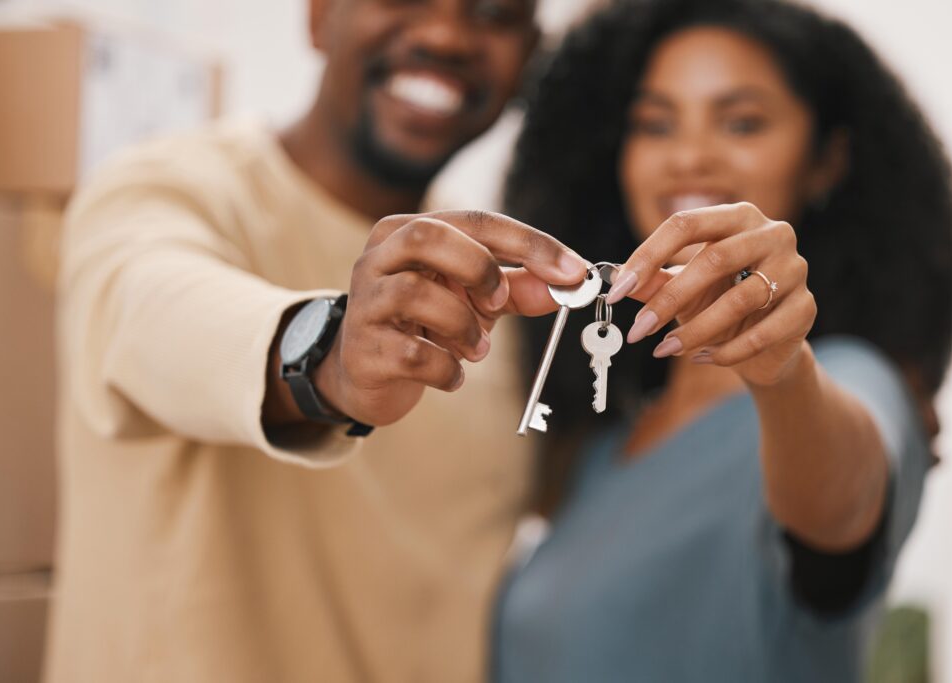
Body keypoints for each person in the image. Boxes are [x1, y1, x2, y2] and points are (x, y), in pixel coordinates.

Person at [44, 1, 592, 681]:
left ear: (529, 57)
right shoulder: (167, 191)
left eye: (494, 12)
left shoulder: (507, 298)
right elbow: (148, 307)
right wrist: (327, 357)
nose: (446, 34)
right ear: (320, 16)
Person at [495, 0, 952, 680]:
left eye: (742, 122)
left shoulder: (850, 378)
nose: (689, 156)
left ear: (827, 161)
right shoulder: (600, 448)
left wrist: (783, 371)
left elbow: (846, 501)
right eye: (655, 124)